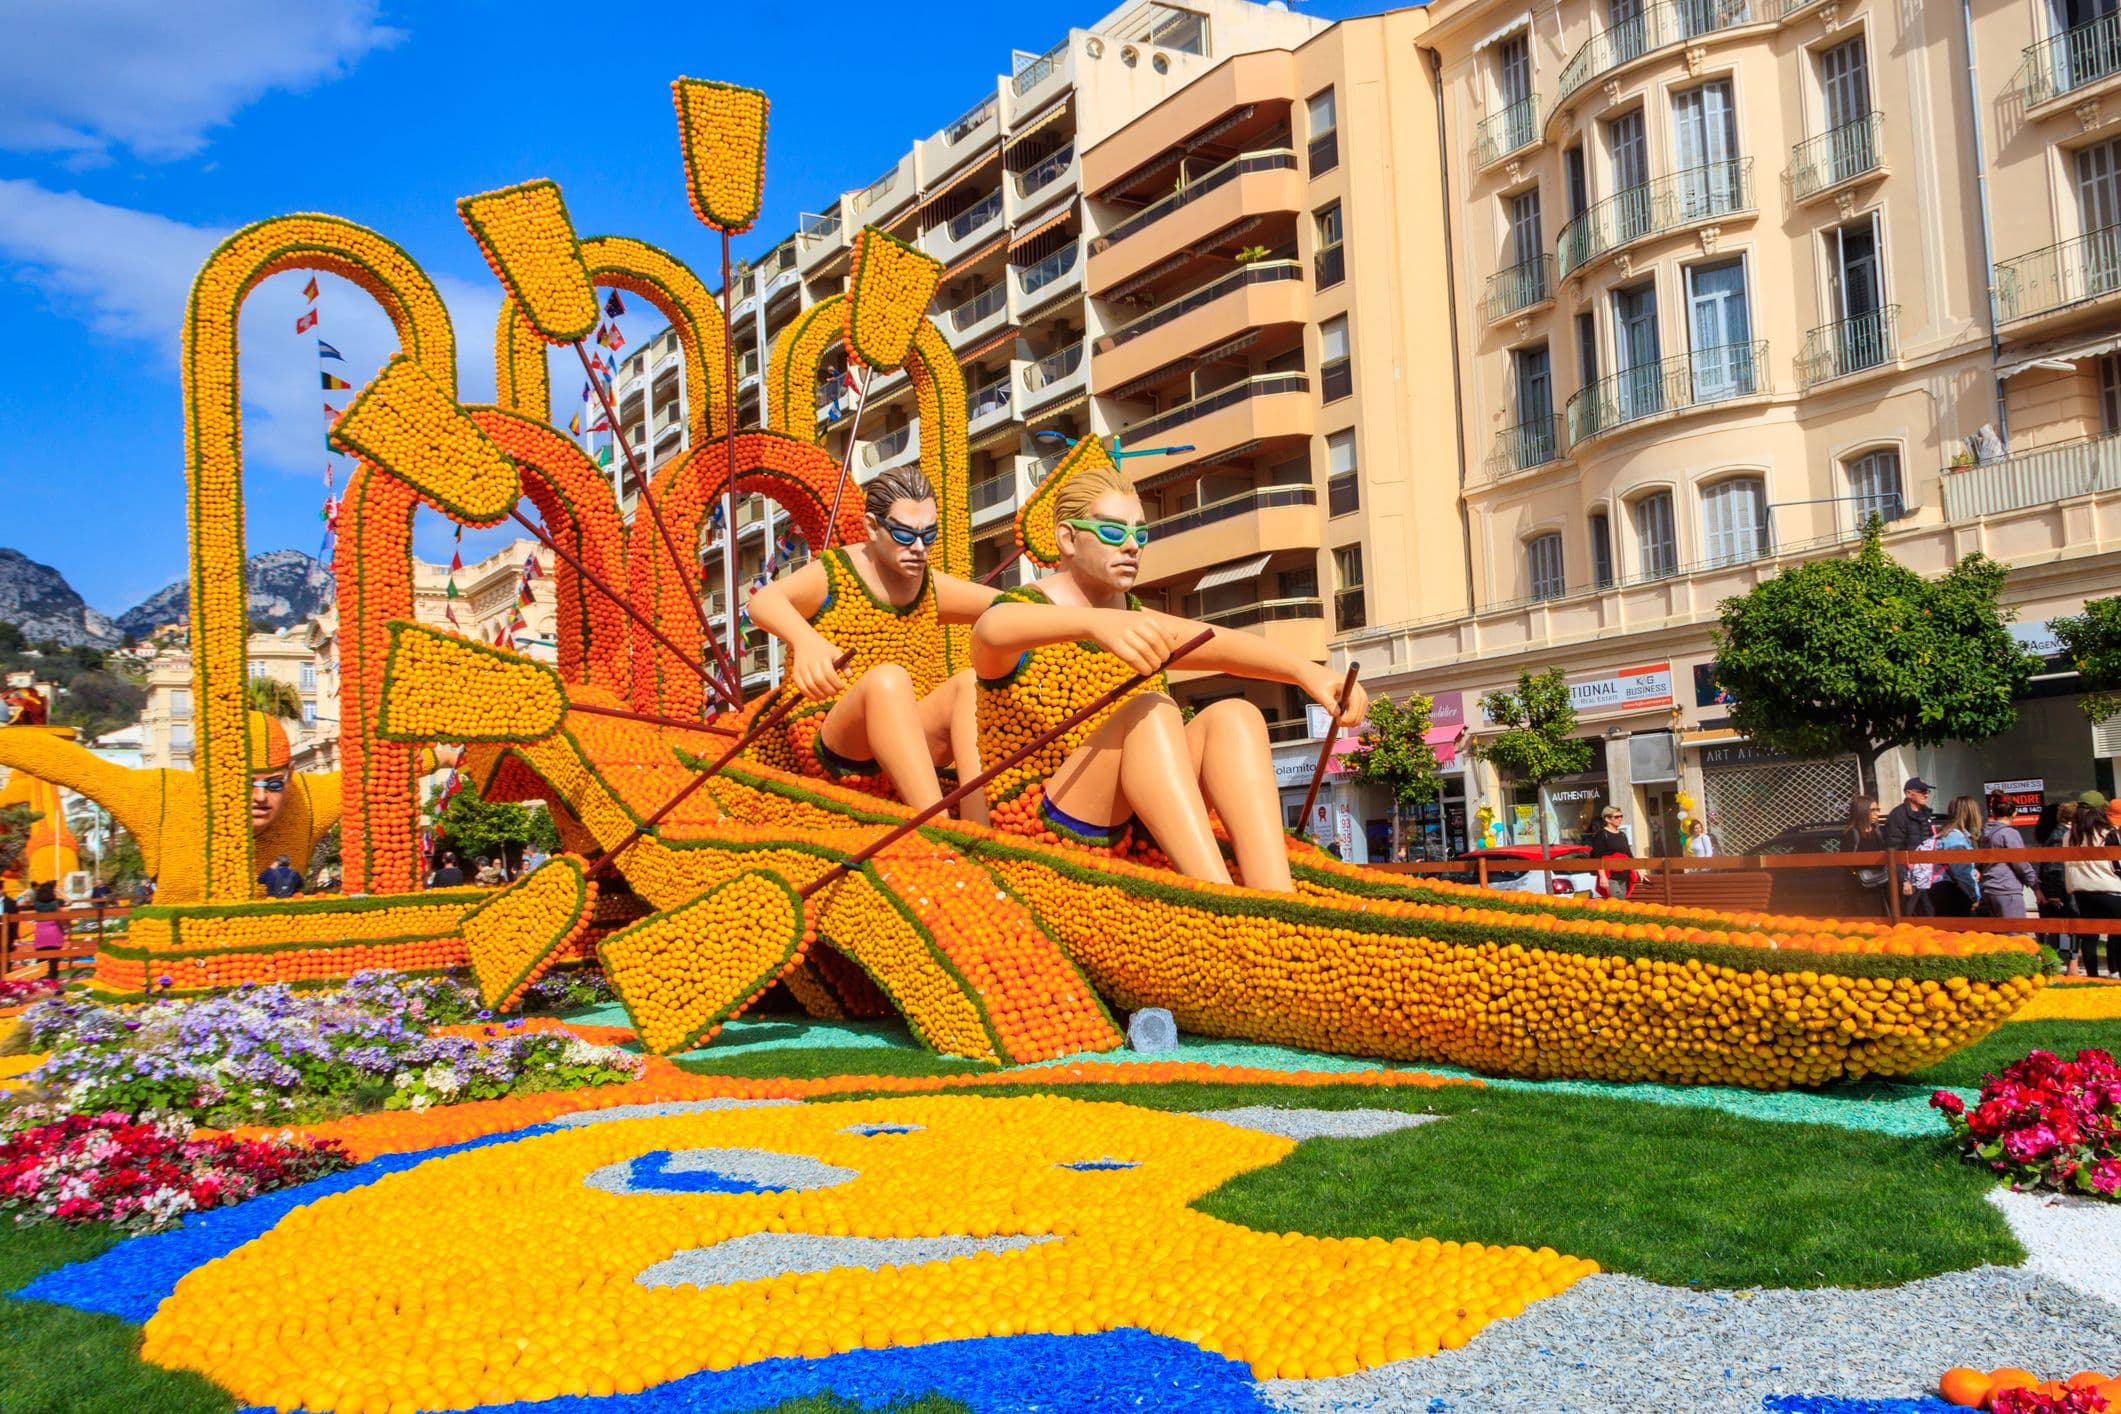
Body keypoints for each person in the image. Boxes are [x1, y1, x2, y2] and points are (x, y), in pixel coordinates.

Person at [969, 461, 1367, 893]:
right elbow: (990, 629)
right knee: (1152, 710)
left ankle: (1275, 895)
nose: (1131, 546)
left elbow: (1220, 644)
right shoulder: (1025, 613)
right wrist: (1093, 624)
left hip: (1140, 824)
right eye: (1112, 531)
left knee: (1234, 717)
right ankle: (1218, 896)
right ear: (1067, 538)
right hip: (1046, 823)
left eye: (1139, 534)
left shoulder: (1137, 619)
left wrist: (1305, 672)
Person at [745, 466, 1000, 821]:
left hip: (909, 736)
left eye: (928, 535)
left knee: (969, 684)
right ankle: (937, 826)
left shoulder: (930, 585)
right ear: (871, 527)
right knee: (888, 680)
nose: (918, 548)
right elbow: (763, 602)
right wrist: (806, 641)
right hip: (836, 739)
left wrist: (1075, 612)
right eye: (904, 534)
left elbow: (1008, 606)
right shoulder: (837, 573)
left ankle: (979, 829)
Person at [2065, 793, 2121, 977]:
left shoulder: (2069, 835)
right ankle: (2115, 971)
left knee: (2089, 935)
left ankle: (2092, 974)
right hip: (2109, 888)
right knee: (2117, 932)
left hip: (2080, 890)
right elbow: (2116, 864)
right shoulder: (2107, 833)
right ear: (2099, 810)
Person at [1977, 792, 2039, 923]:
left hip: (1989, 890)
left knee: (1998, 933)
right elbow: (2020, 863)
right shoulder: (2009, 834)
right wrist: (2035, 886)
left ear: (1993, 813)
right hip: (2007, 889)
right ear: (2014, 813)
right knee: (2015, 932)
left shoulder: (1985, 835)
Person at [1882, 776, 1938, 915]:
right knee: (1910, 916)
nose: (1925, 794)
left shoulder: (1926, 813)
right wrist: (1904, 880)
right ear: (1908, 793)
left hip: (1928, 875)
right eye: (1921, 791)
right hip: (1910, 876)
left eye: (1927, 791)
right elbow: (1894, 849)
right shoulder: (1898, 815)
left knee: (1930, 914)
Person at [2040, 802, 2081, 974]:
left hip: (2063, 888)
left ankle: (2071, 966)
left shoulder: (2063, 833)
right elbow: (2053, 867)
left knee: (2069, 928)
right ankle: (2066, 967)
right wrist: (2053, 894)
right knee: (2066, 928)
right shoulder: (2060, 835)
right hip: (2061, 890)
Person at [1931, 795, 1984, 917]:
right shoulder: (1956, 837)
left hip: (1942, 890)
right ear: (1970, 814)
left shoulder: (1945, 833)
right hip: (1951, 892)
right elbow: (1962, 873)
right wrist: (1975, 896)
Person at [1842, 795, 1890, 915]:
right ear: (1862, 811)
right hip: (1860, 887)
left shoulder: (1877, 831)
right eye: (1872, 810)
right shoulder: (1851, 834)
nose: (1876, 814)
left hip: (1879, 884)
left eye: (1877, 810)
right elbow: (1846, 861)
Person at [1589, 805, 1636, 899]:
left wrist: (1638, 870)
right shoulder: (1602, 834)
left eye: (1621, 816)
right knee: (1616, 899)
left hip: (1624, 875)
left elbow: (1629, 855)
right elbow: (1597, 857)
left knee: (1621, 902)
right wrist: (1602, 876)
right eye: (1616, 817)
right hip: (1610, 876)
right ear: (1607, 819)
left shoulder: (1622, 835)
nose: (1620, 819)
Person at [28, 879, 64, 981]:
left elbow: (21, 903)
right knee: (54, 959)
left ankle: (39, 979)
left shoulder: (36, 904)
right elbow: (69, 901)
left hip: (41, 932)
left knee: (41, 957)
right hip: (53, 931)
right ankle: (53, 978)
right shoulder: (55, 903)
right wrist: (59, 892)